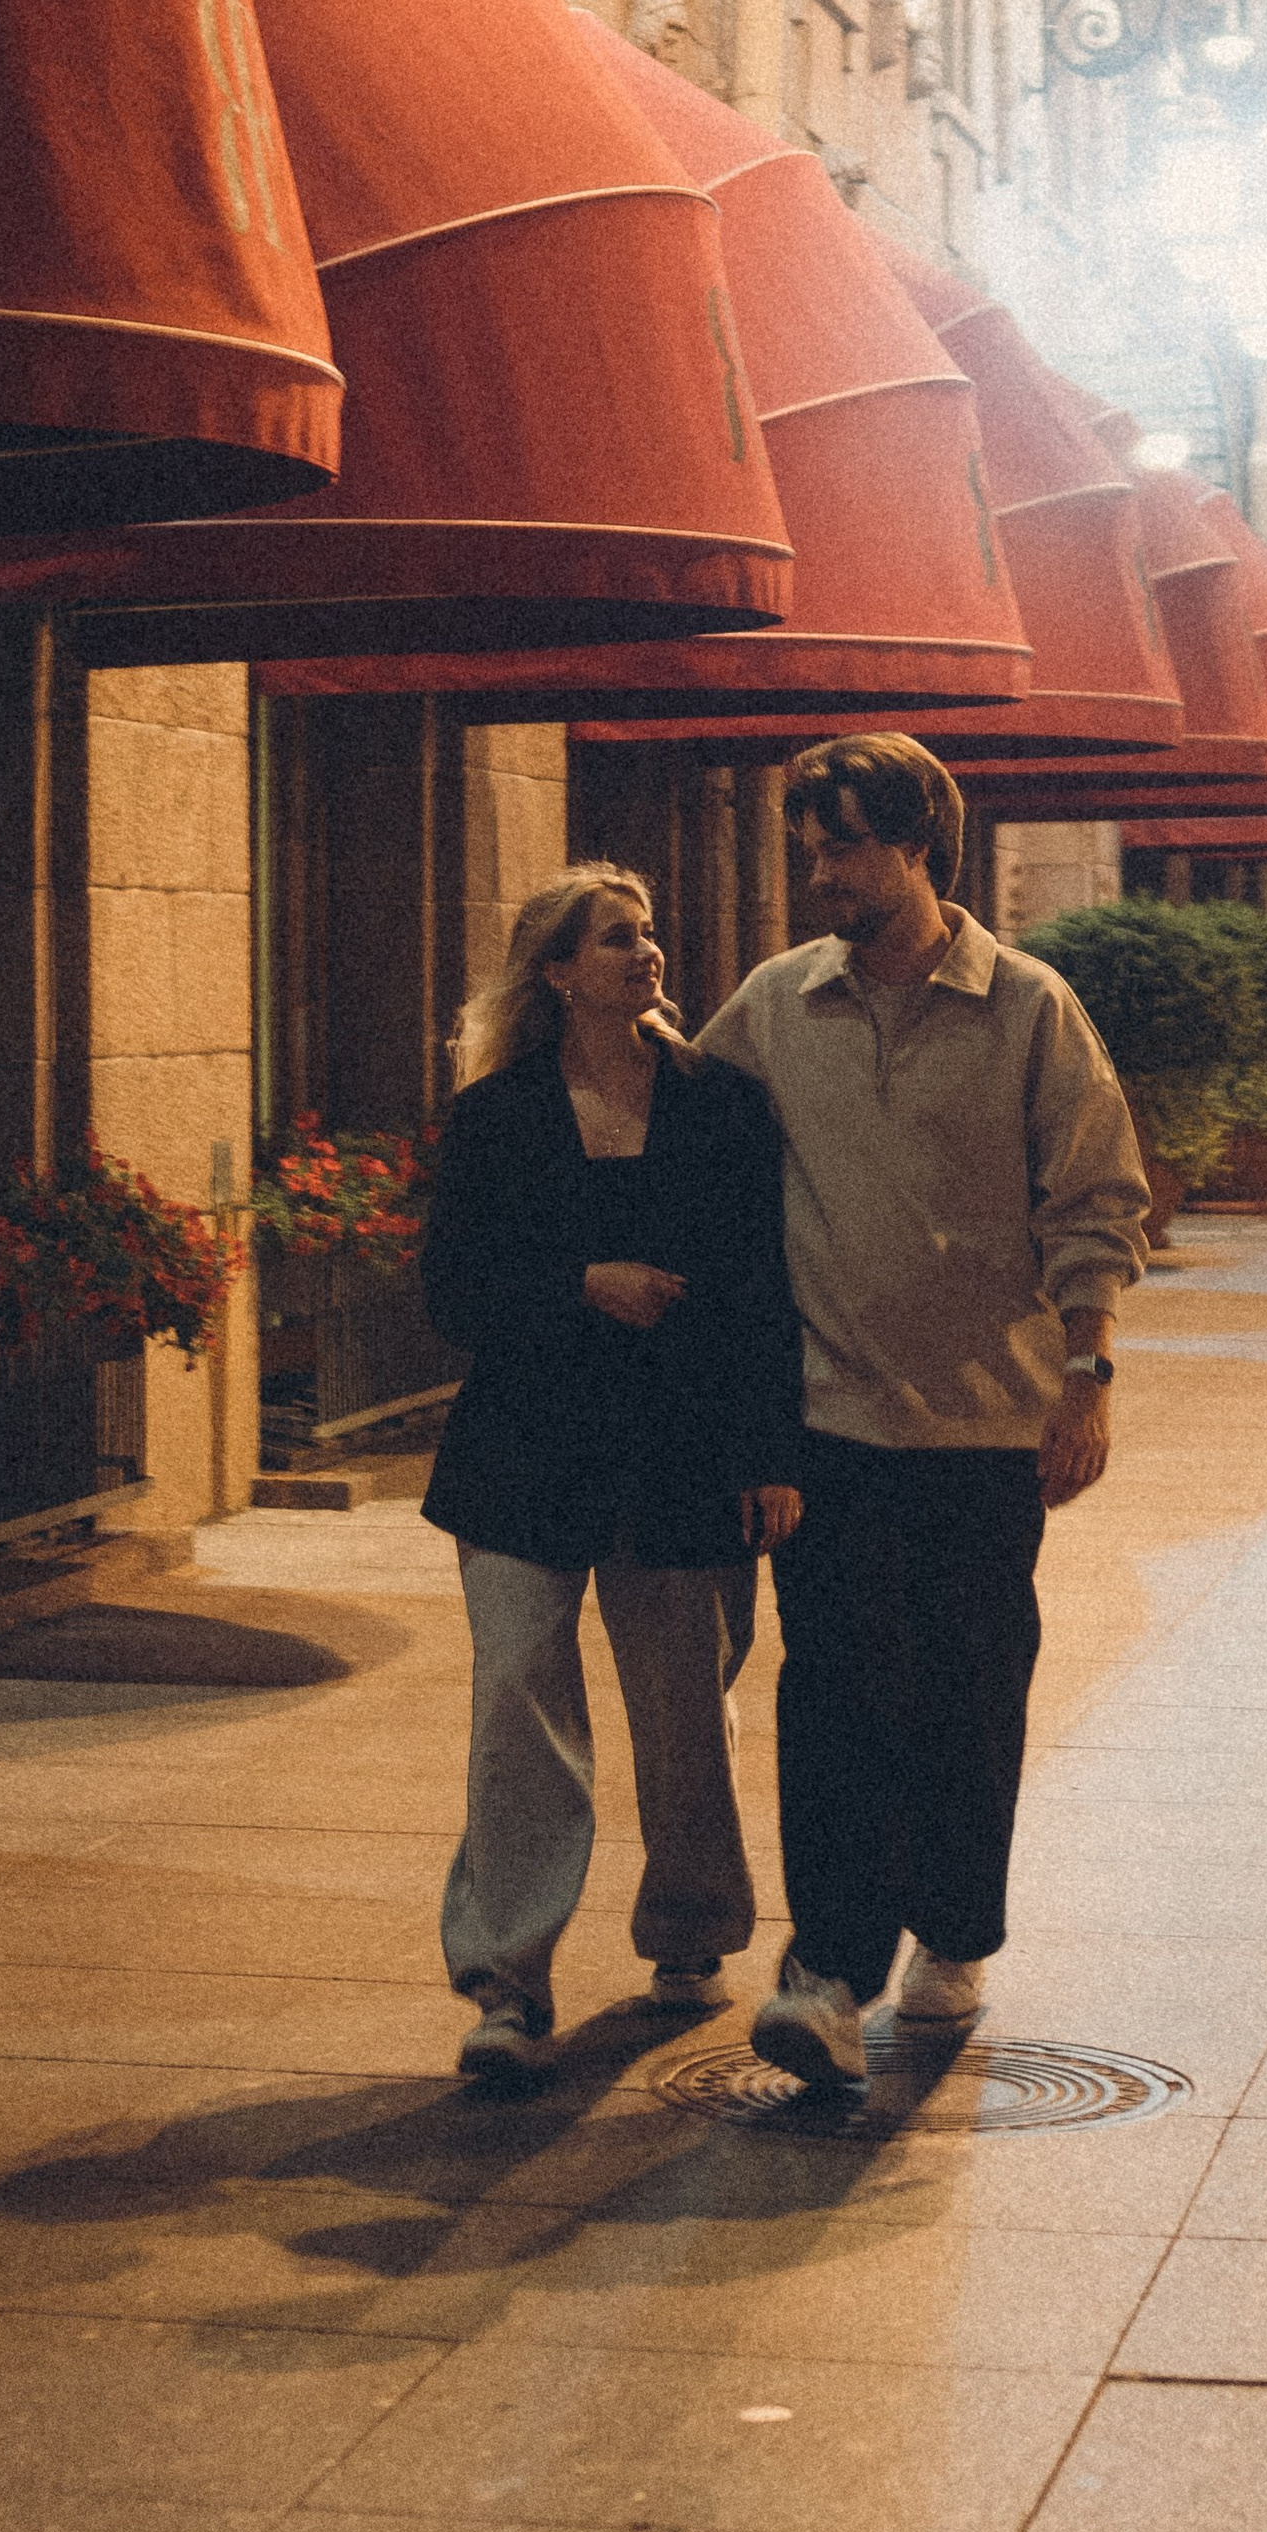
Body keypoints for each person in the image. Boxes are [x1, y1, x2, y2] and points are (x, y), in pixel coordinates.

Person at [698, 734, 1150, 2087]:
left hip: (988, 1427)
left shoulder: (1026, 1007)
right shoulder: (779, 1005)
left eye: (843, 846)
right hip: (830, 1424)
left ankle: (952, 1935)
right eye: (810, 848)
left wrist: (1090, 1375)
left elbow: (1097, 1195)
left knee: (967, 1689)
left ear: (917, 847)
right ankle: (827, 1967)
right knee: (832, 1693)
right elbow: (684, 1129)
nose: (820, 873)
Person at [420, 864, 805, 2091]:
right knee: (518, 1708)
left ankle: (691, 1937)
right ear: (556, 971)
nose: (646, 954)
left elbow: (761, 1294)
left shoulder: (723, 1104)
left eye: (647, 934)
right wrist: (580, 1284)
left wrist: (769, 1455)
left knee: (685, 1706)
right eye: (615, 939)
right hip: (523, 1454)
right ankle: (505, 1981)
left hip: (684, 1447)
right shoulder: (495, 1116)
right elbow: (449, 1294)